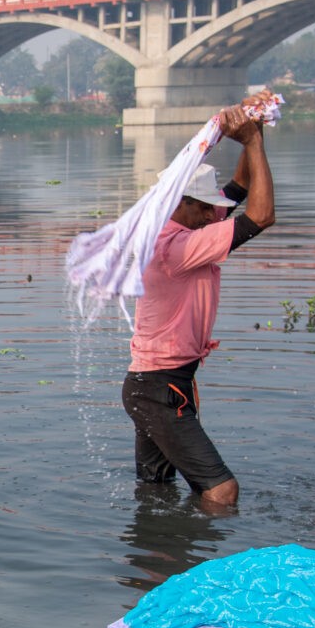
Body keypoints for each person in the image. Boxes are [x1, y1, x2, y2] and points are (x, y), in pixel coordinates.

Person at [121, 106, 274, 508]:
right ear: (180, 203)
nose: (215, 214)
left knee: (156, 491)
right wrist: (254, 142)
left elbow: (241, 185)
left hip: (153, 384)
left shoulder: (187, 221)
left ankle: (155, 564)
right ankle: (205, 563)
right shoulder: (174, 246)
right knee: (222, 491)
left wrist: (253, 125)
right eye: (206, 207)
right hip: (160, 388)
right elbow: (261, 215)